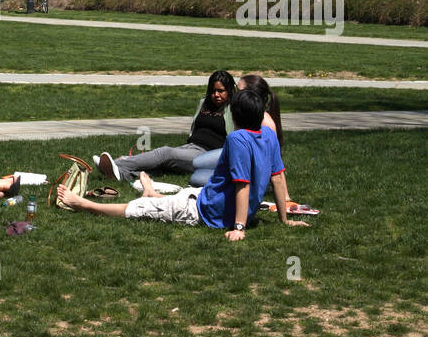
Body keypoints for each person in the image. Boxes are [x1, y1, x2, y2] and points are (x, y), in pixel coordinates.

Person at [58, 87, 309, 240]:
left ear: (235, 116)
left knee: (137, 209)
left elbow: (242, 185)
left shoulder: (237, 139)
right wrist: (284, 219)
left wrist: (239, 227)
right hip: (207, 196)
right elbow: (278, 178)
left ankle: (84, 203)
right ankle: (152, 194)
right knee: (179, 197)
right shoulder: (269, 136)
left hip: (206, 211)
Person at [95, 70, 235, 184]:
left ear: (229, 91)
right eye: (213, 91)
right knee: (160, 164)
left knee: (165, 153)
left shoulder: (233, 108)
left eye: (221, 91)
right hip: (190, 147)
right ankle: (121, 174)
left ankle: (118, 163)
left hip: (207, 155)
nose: (216, 95)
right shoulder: (204, 103)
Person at [189, 73, 283, 187]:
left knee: (196, 177)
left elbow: (269, 161)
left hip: (248, 173)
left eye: (238, 91)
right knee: (197, 164)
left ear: (251, 93)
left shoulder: (266, 123)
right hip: (237, 161)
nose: (234, 94)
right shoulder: (243, 114)